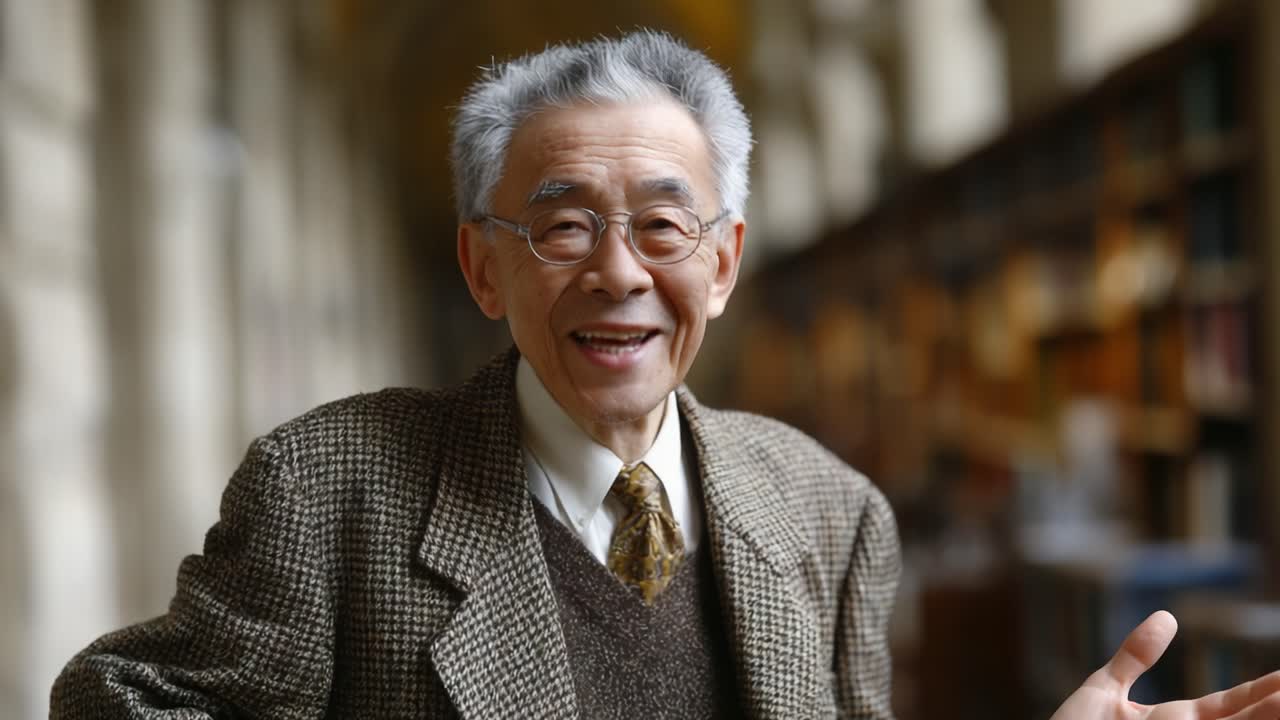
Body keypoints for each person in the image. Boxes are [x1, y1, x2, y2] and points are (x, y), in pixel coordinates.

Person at [51, 31, 1280, 720]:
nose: (617, 273)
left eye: (661, 224)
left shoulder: (829, 509)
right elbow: (112, 703)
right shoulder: (331, 488)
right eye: (563, 224)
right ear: (484, 270)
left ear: (726, 261)